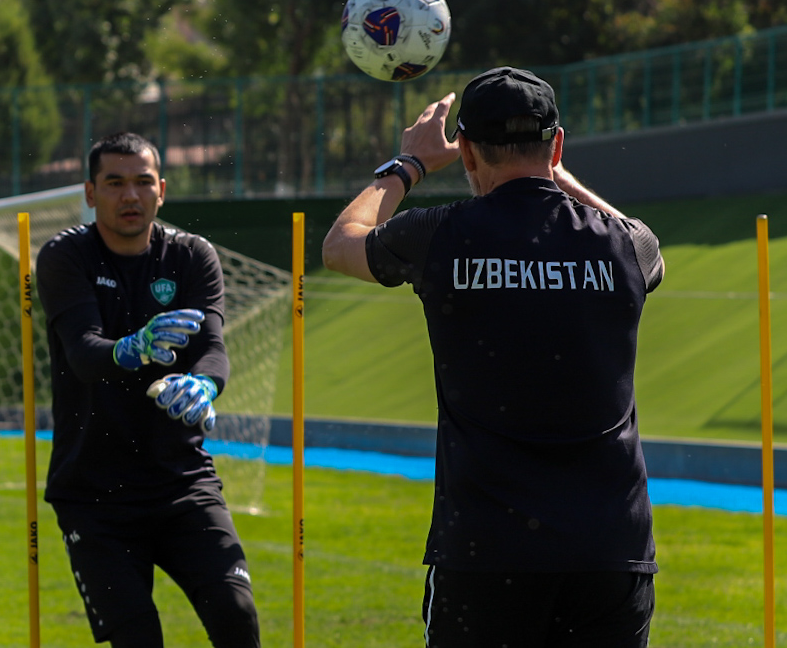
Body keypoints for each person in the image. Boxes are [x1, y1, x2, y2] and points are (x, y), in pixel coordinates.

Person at [322, 67, 664, 647]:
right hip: (609, 551)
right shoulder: (627, 247)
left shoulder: (439, 234)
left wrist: (407, 166)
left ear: (468, 155)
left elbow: (340, 245)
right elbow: (637, 235)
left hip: (486, 553)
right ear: (556, 145)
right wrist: (557, 175)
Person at [35, 131, 260, 648]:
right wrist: (130, 348)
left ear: (162, 188)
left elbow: (211, 345)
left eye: (141, 182)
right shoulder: (65, 256)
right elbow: (84, 353)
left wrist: (205, 383)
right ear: (90, 193)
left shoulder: (191, 256)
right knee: (139, 637)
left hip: (181, 481)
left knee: (235, 612)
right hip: (93, 492)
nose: (129, 196)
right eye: (114, 183)